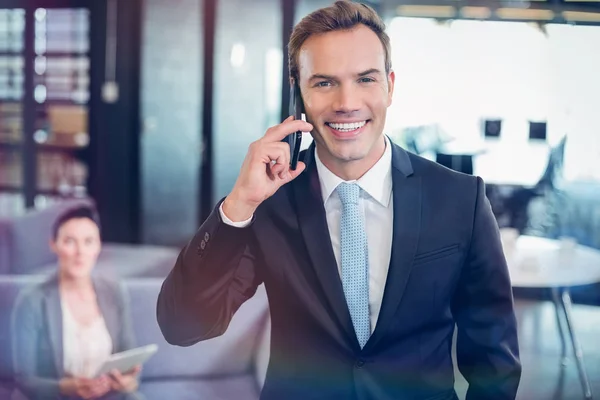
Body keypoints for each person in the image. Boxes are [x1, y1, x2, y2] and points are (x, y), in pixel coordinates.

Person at [157, 1, 521, 399]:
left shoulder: (459, 200)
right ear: (298, 91)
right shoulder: (270, 202)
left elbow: (494, 364)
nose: (346, 102)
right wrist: (239, 204)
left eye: (365, 79)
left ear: (390, 85)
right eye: (325, 82)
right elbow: (183, 324)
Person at [11, 206, 143, 400]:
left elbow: (130, 359)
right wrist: (66, 388)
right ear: (53, 245)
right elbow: (24, 379)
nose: (80, 251)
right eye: (70, 241)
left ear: (98, 246)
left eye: (88, 242)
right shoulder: (32, 300)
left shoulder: (114, 292)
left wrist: (127, 382)